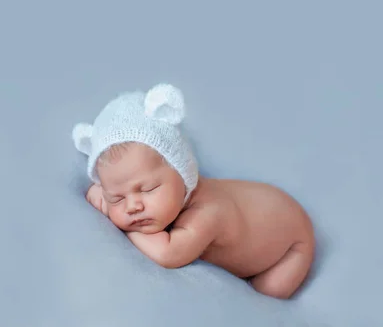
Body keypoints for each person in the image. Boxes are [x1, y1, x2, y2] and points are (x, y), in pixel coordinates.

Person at [73, 83, 315, 299]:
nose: (133, 206)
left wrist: (113, 214)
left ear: (182, 173)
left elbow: (168, 254)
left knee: (269, 291)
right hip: (263, 204)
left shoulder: (208, 212)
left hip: (291, 244)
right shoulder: (169, 200)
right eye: (117, 198)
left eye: (148, 189)